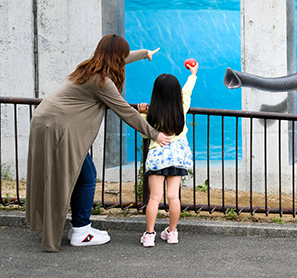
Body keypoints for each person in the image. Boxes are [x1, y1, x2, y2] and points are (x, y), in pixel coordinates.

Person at [25, 34, 172, 252]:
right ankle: (81, 230)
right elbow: (125, 112)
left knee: (81, 175)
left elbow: (122, 59)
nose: (123, 60)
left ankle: (80, 227)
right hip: (58, 127)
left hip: (44, 120)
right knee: (86, 176)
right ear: (116, 56)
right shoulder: (102, 82)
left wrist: (144, 54)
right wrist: (154, 134)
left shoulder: (88, 68)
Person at [138, 60, 197, 247]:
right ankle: (172, 232)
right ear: (175, 93)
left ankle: (149, 235)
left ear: (156, 92)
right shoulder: (181, 107)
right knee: (173, 197)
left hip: (157, 158)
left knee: (154, 197)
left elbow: (143, 132)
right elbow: (187, 91)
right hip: (178, 157)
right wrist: (193, 74)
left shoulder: (151, 113)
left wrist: (141, 114)